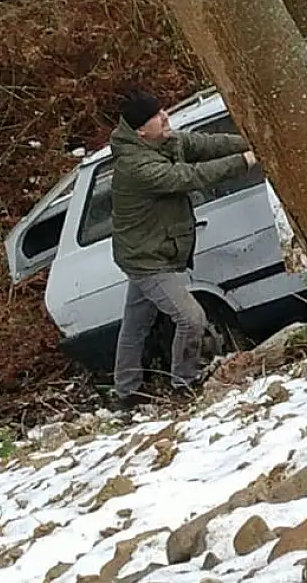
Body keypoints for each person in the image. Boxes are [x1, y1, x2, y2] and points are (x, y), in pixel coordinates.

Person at [109, 85, 256, 409]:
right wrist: (245, 161)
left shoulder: (162, 141)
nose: (165, 116)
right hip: (147, 260)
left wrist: (250, 141)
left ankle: (126, 393)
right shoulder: (136, 167)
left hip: (150, 249)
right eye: (156, 116)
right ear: (140, 131)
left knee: (135, 325)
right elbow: (188, 177)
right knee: (191, 319)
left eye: (161, 110)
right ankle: (185, 383)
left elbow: (204, 144)